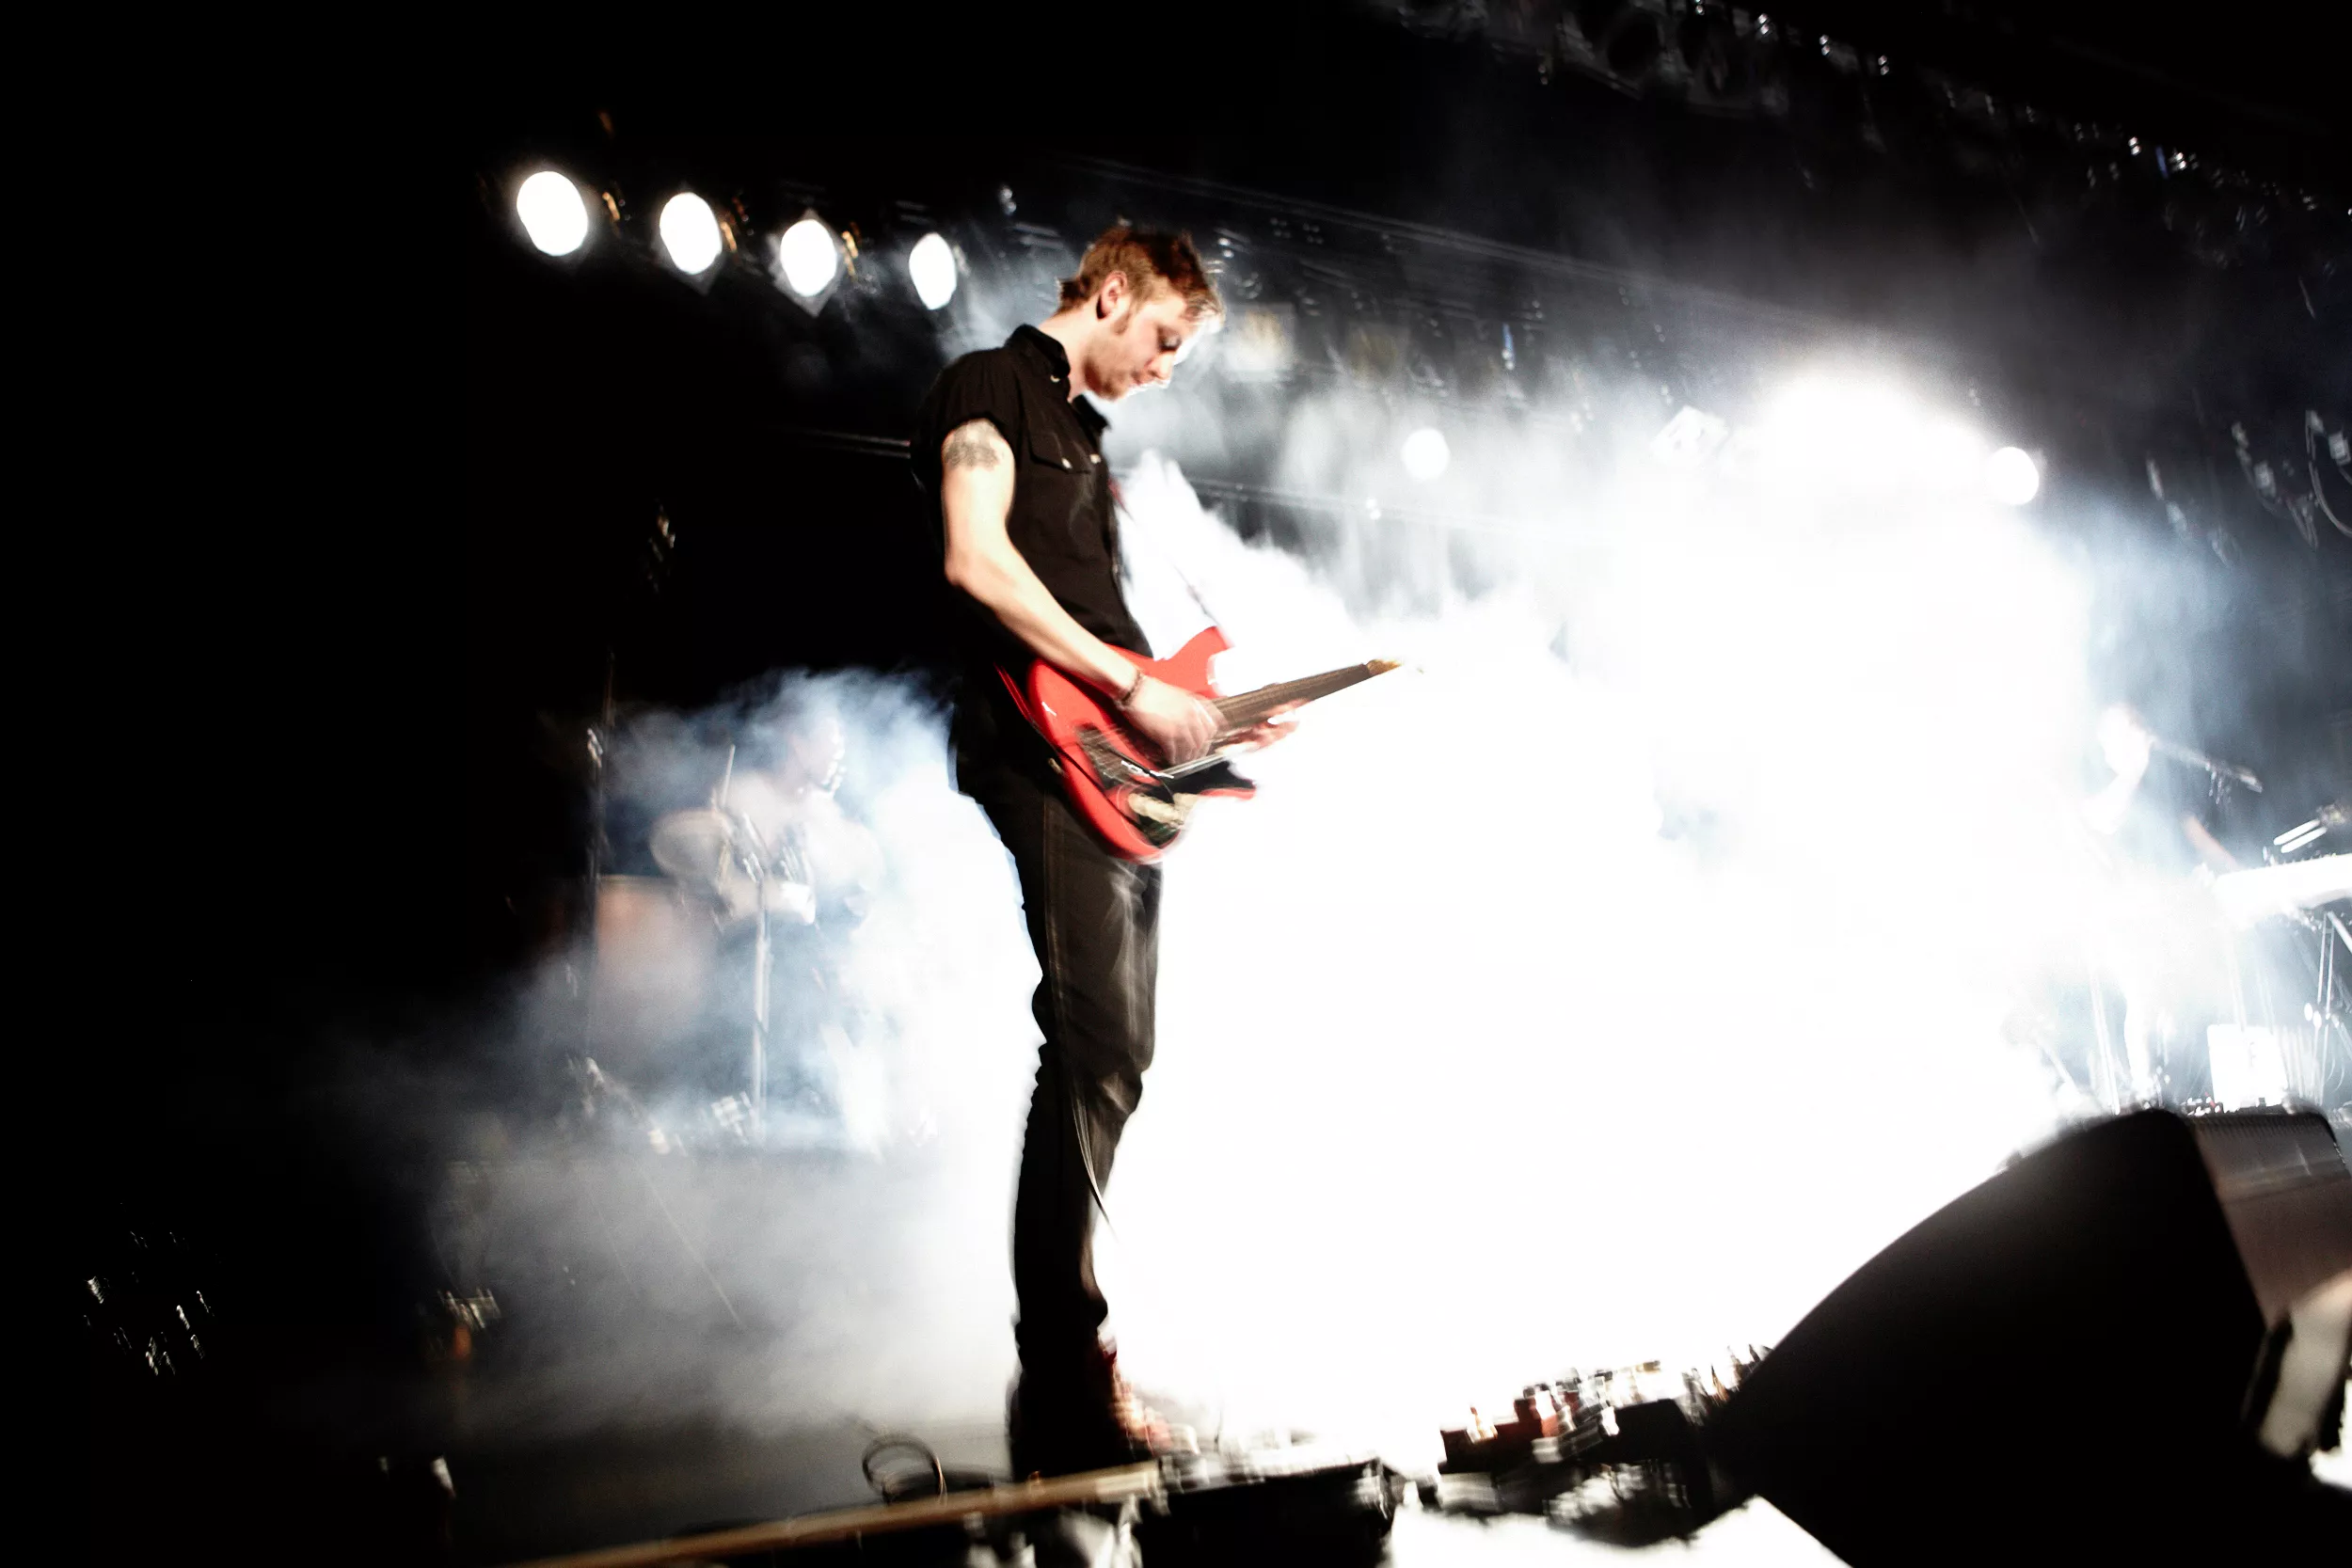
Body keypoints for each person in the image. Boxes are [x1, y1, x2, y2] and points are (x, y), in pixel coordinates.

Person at [912, 228, 1286, 1477]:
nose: (1167, 368)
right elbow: (976, 560)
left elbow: (1111, 645)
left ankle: (1068, 1367)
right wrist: (1134, 687)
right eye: (1166, 339)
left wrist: (1208, 715)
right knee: (1091, 1043)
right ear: (1113, 293)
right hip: (1035, 754)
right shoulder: (990, 388)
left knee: (1118, 1052)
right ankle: (1063, 1377)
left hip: (1112, 771)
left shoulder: (1086, 439)